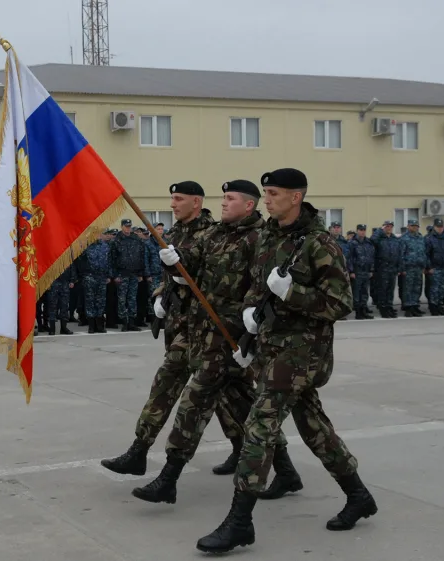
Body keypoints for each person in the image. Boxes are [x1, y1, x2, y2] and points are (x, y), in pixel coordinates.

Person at [196, 168, 376, 554]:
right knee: (315, 429)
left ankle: (239, 522)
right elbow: (257, 291)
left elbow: (341, 304)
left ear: (296, 198)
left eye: (273, 193)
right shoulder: (268, 237)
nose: (266, 200)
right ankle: (359, 495)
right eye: (264, 193)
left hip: (301, 354)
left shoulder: (319, 244)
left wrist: (293, 293)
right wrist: (248, 330)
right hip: (271, 350)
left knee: (259, 428)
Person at [130, 179, 265, 504]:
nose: (224, 203)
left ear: (248, 205)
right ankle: (285, 470)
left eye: (230, 198)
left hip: (233, 337)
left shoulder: (259, 238)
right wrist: (172, 271)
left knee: (198, 402)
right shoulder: (218, 234)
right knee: (239, 404)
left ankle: (168, 477)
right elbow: (192, 264)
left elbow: (262, 286)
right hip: (204, 332)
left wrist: (254, 325)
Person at [100, 181, 217, 476]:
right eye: (172, 198)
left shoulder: (212, 234)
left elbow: (213, 281)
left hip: (209, 331)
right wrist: (160, 295)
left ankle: (279, 463)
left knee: (234, 405)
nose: (173, 204)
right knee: (163, 387)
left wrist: (181, 279)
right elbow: (168, 275)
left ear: (196, 202)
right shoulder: (176, 233)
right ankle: (138, 451)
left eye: (178, 199)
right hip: (182, 328)